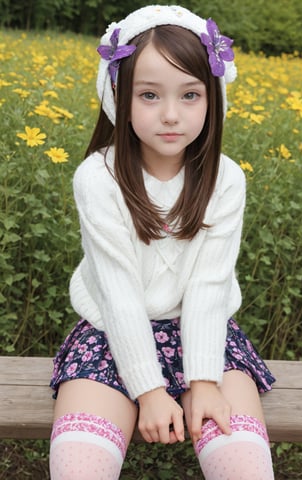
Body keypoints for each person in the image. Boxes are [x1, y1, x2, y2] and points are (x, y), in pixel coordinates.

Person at [49, 5, 276, 479]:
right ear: (118, 97)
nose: (171, 115)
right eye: (149, 95)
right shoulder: (99, 178)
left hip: (206, 337)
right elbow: (117, 292)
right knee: (79, 465)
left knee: (242, 463)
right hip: (112, 334)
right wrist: (149, 391)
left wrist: (204, 381)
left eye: (190, 94)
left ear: (213, 99)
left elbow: (210, 288)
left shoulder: (225, 179)